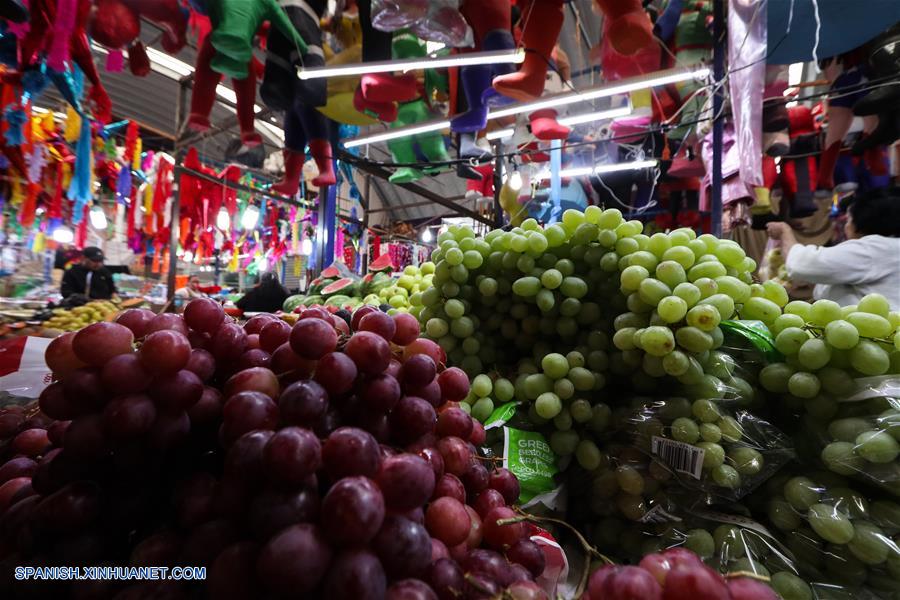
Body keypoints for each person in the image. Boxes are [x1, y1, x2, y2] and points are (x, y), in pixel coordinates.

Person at [767, 187, 900, 307]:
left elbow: (803, 264)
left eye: (848, 220)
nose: (846, 227)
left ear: (862, 224)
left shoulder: (873, 249)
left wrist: (784, 232)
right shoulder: (891, 249)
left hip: (869, 331)